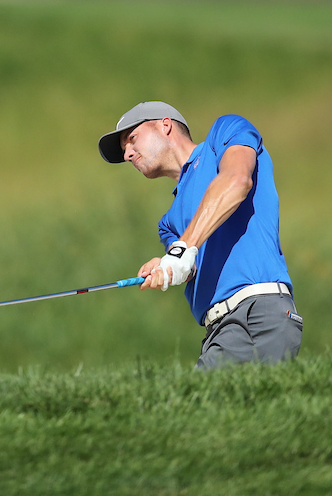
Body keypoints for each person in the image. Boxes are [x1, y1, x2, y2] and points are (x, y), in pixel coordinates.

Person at [98, 101, 301, 369]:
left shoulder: (226, 132)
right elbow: (189, 265)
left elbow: (237, 181)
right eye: (125, 149)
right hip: (219, 331)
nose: (127, 154)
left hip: (257, 312)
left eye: (132, 139)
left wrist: (182, 248)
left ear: (165, 124)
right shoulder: (168, 223)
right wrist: (168, 266)